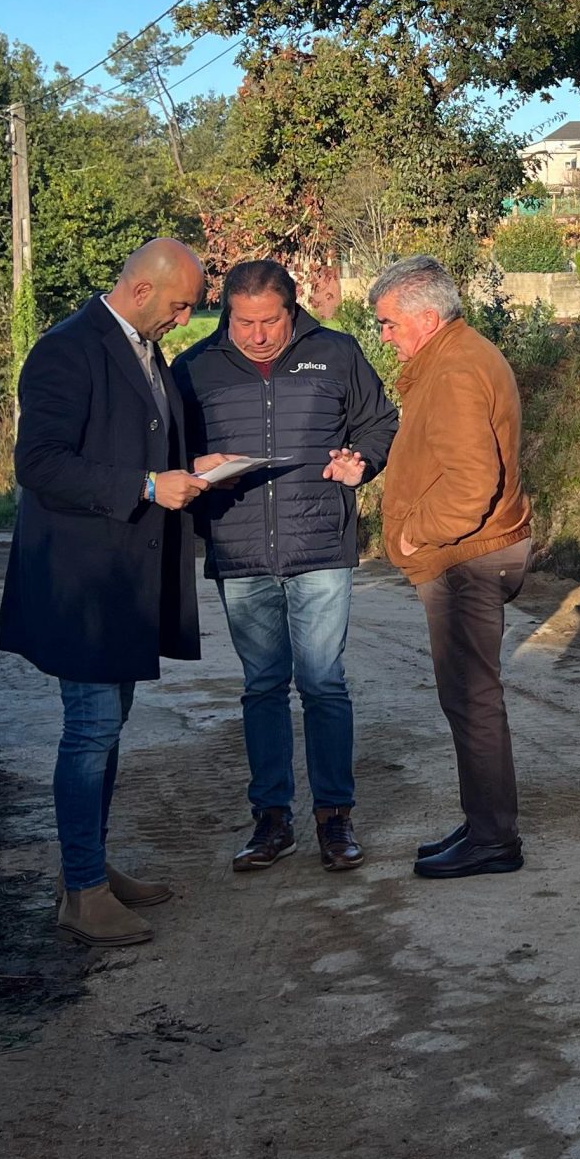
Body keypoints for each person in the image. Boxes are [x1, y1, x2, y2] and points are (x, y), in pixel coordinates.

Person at [0, 237, 210, 948]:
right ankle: (82, 894)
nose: (184, 320)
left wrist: (188, 465)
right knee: (90, 731)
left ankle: (87, 871)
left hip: (123, 577)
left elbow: (138, 440)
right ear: (142, 291)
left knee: (105, 729)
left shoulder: (147, 350)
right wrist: (148, 486)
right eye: (180, 305)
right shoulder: (67, 348)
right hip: (82, 582)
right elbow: (41, 464)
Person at [173, 259, 399, 875]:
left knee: (323, 683)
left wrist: (364, 462)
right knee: (262, 687)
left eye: (269, 321)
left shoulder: (338, 352)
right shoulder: (195, 368)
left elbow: (380, 420)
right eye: (243, 322)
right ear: (227, 315)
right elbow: (164, 451)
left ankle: (335, 818)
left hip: (321, 546)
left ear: (291, 309)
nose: (256, 335)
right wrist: (196, 462)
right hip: (240, 551)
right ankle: (271, 821)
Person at [370, 254, 534, 880]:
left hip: (469, 559)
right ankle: (485, 824)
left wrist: (414, 534)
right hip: (476, 553)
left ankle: (494, 840)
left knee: (472, 699)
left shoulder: (457, 369)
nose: (384, 336)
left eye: (388, 324)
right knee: (468, 698)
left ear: (427, 319)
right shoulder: (452, 358)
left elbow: (472, 484)